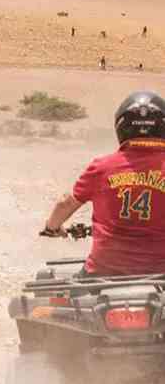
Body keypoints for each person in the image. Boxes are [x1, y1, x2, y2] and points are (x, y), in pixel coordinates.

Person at [42, 92, 165, 276]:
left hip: (103, 271)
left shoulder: (101, 167)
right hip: (159, 274)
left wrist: (52, 228)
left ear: (121, 127)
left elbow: (65, 202)